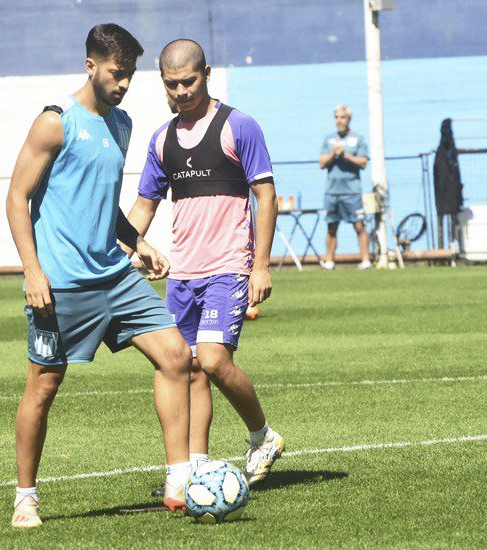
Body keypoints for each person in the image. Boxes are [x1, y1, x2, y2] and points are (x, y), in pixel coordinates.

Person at [4, 23, 193, 528]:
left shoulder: (123, 124)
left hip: (115, 277)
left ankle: (180, 480)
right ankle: (26, 496)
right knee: (42, 388)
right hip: (61, 283)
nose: (124, 83)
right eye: (117, 72)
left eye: (130, 74)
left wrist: (138, 243)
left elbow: (103, 205)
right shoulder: (54, 122)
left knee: (177, 356)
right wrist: (32, 270)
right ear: (91, 65)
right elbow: (16, 198)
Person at [126, 39, 285, 493]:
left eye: (189, 81)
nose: (180, 91)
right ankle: (195, 467)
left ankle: (262, 436)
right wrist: (126, 252)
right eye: (171, 84)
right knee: (187, 367)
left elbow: (266, 196)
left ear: (207, 74)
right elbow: (143, 206)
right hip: (183, 275)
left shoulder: (239, 126)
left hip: (229, 268)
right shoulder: (161, 140)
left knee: (213, 361)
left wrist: (261, 265)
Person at [318, 105, 372, 270]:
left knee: (359, 225)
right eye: (337, 117)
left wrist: (345, 155)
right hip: (332, 191)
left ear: (348, 119)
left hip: (352, 190)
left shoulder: (358, 139)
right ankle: (329, 261)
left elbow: (363, 162)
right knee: (331, 226)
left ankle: (365, 260)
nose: (339, 120)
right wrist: (334, 154)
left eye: (342, 117)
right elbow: (321, 163)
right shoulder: (329, 139)